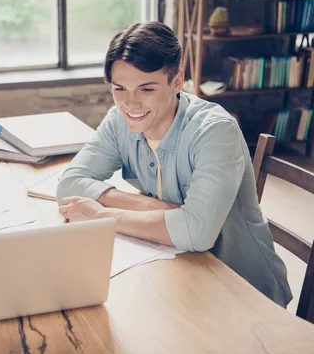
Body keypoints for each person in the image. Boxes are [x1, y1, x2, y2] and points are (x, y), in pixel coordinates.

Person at [56, 22, 292, 307]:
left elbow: (197, 233)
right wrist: (167, 211)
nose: (130, 103)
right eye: (120, 88)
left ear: (177, 82)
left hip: (242, 290)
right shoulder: (119, 120)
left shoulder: (215, 131)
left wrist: (102, 215)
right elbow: (69, 183)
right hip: (176, 271)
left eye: (147, 89)